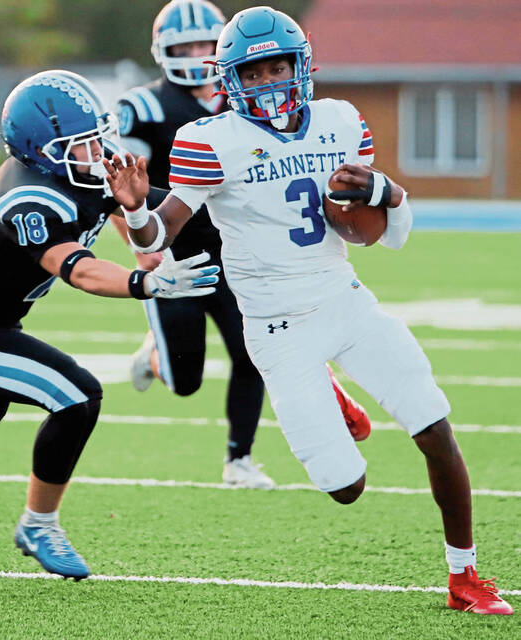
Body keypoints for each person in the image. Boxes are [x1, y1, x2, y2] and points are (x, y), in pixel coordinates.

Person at [103, 6, 514, 615]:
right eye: (256, 71)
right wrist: (137, 212)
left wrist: (390, 193)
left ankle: (465, 574)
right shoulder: (208, 140)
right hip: (276, 328)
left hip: (345, 300)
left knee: (435, 426)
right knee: (346, 487)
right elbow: (155, 241)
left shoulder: (340, 121)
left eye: (279, 67)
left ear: (303, 66)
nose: (270, 82)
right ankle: (324, 383)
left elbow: (379, 230)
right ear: (232, 79)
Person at [0, 69, 219, 580]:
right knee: (77, 396)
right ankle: (39, 524)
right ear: (41, 149)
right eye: (82, 144)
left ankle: (38, 523)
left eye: (98, 138)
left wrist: (144, 208)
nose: (96, 152)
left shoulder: (77, 174)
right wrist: (147, 284)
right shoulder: (27, 194)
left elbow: (157, 217)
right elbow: (80, 269)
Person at [113, 0, 371, 488]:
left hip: (238, 256)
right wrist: (140, 243)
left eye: (202, 46)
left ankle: (240, 459)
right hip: (175, 256)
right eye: (182, 46)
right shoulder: (141, 107)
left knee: (252, 354)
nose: (193, 54)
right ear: (161, 51)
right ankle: (153, 357)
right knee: (185, 382)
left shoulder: (243, 103)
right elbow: (124, 188)